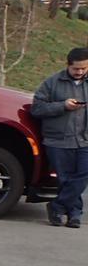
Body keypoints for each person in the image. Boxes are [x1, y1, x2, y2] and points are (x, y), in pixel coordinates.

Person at [31, 47, 88, 228]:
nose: (79, 72)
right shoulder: (52, 82)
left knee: (81, 176)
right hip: (58, 140)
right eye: (76, 69)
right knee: (65, 179)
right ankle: (74, 214)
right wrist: (62, 106)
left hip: (85, 140)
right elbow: (37, 109)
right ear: (68, 66)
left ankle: (57, 206)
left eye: (84, 68)